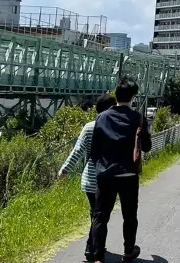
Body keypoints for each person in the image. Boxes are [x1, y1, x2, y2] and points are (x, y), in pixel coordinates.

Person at [88, 77, 152, 263]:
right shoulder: (138, 118)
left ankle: (98, 257)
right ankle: (128, 251)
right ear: (133, 97)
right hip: (129, 174)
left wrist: (100, 167)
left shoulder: (102, 117)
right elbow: (146, 147)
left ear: (116, 95)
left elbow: (94, 150)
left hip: (106, 173)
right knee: (129, 215)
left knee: (100, 216)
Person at [58, 92, 117, 262]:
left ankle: (93, 246)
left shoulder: (89, 126)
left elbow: (78, 151)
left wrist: (64, 169)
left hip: (90, 179)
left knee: (96, 213)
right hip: (109, 179)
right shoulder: (115, 127)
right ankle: (93, 246)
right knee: (101, 216)